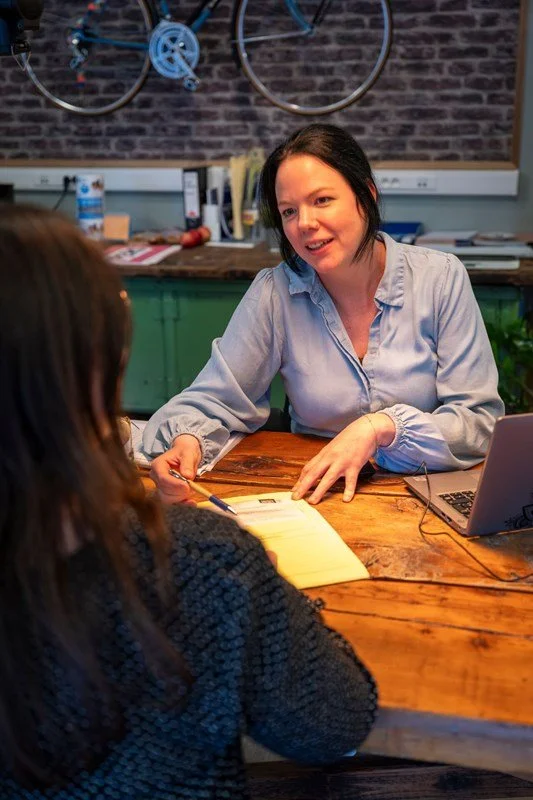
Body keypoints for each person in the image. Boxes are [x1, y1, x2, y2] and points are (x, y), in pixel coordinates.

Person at [0, 204, 377, 798]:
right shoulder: (206, 567)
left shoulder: (436, 277)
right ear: (97, 370)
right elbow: (336, 724)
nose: (307, 222)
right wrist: (266, 595)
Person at [145, 123, 504, 505]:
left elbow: (479, 422)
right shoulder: (275, 292)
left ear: (365, 195)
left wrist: (380, 427)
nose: (305, 224)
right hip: (315, 496)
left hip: (423, 500)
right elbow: (215, 399)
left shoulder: (440, 278)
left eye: (322, 201)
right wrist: (188, 441)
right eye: (288, 211)